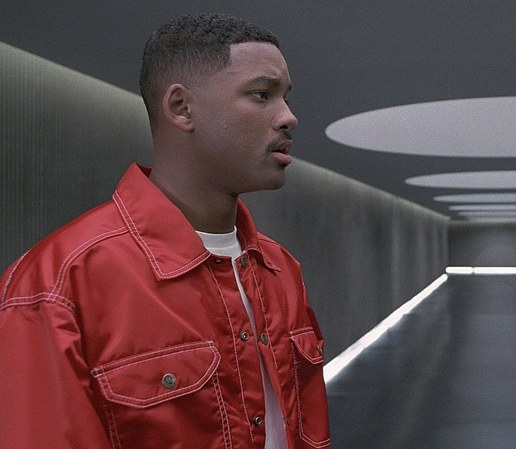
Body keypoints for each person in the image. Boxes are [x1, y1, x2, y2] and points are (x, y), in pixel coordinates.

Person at [0, 13, 330, 449]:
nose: (289, 117)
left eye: (285, 97)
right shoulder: (59, 285)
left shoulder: (280, 269)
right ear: (180, 108)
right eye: (261, 95)